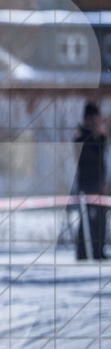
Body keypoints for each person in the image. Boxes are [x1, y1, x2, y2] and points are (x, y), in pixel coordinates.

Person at [73, 102, 107, 260]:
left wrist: (101, 135)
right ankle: (83, 252)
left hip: (97, 183)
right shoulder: (82, 137)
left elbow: (101, 159)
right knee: (86, 220)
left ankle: (97, 251)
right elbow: (90, 158)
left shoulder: (96, 137)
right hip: (87, 184)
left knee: (100, 219)